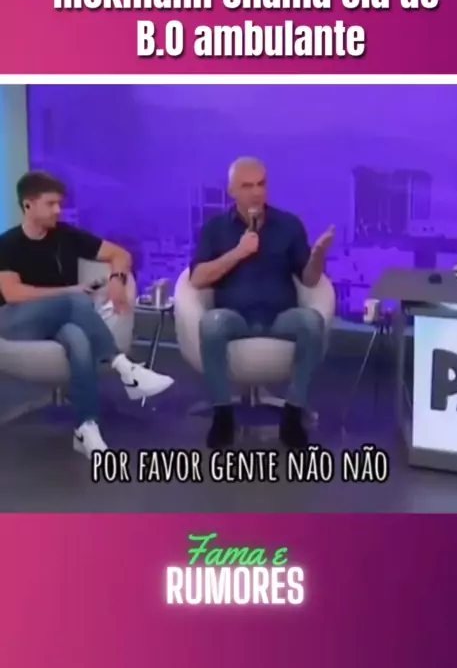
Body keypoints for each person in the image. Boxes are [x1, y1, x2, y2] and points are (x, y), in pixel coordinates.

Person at [0, 171, 174, 460]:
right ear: (28, 205)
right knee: (76, 301)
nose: (58, 210)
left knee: (78, 338)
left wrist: (117, 279)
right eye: (51, 204)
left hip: (59, 320)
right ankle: (123, 366)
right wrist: (69, 291)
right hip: (15, 320)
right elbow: (13, 294)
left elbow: (120, 254)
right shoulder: (6, 244)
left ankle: (86, 427)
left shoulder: (66, 235)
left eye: (60, 203)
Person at [190, 157, 335, 448]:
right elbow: (197, 278)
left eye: (261, 184)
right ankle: (222, 415)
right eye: (247, 186)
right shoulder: (215, 228)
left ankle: (293, 414)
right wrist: (238, 253)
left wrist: (318, 255)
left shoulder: (288, 225)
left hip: (280, 317)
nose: (256, 192)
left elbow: (309, 280)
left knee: (312, 322)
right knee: (211, 324)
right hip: (234, 317)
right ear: (232, 191)